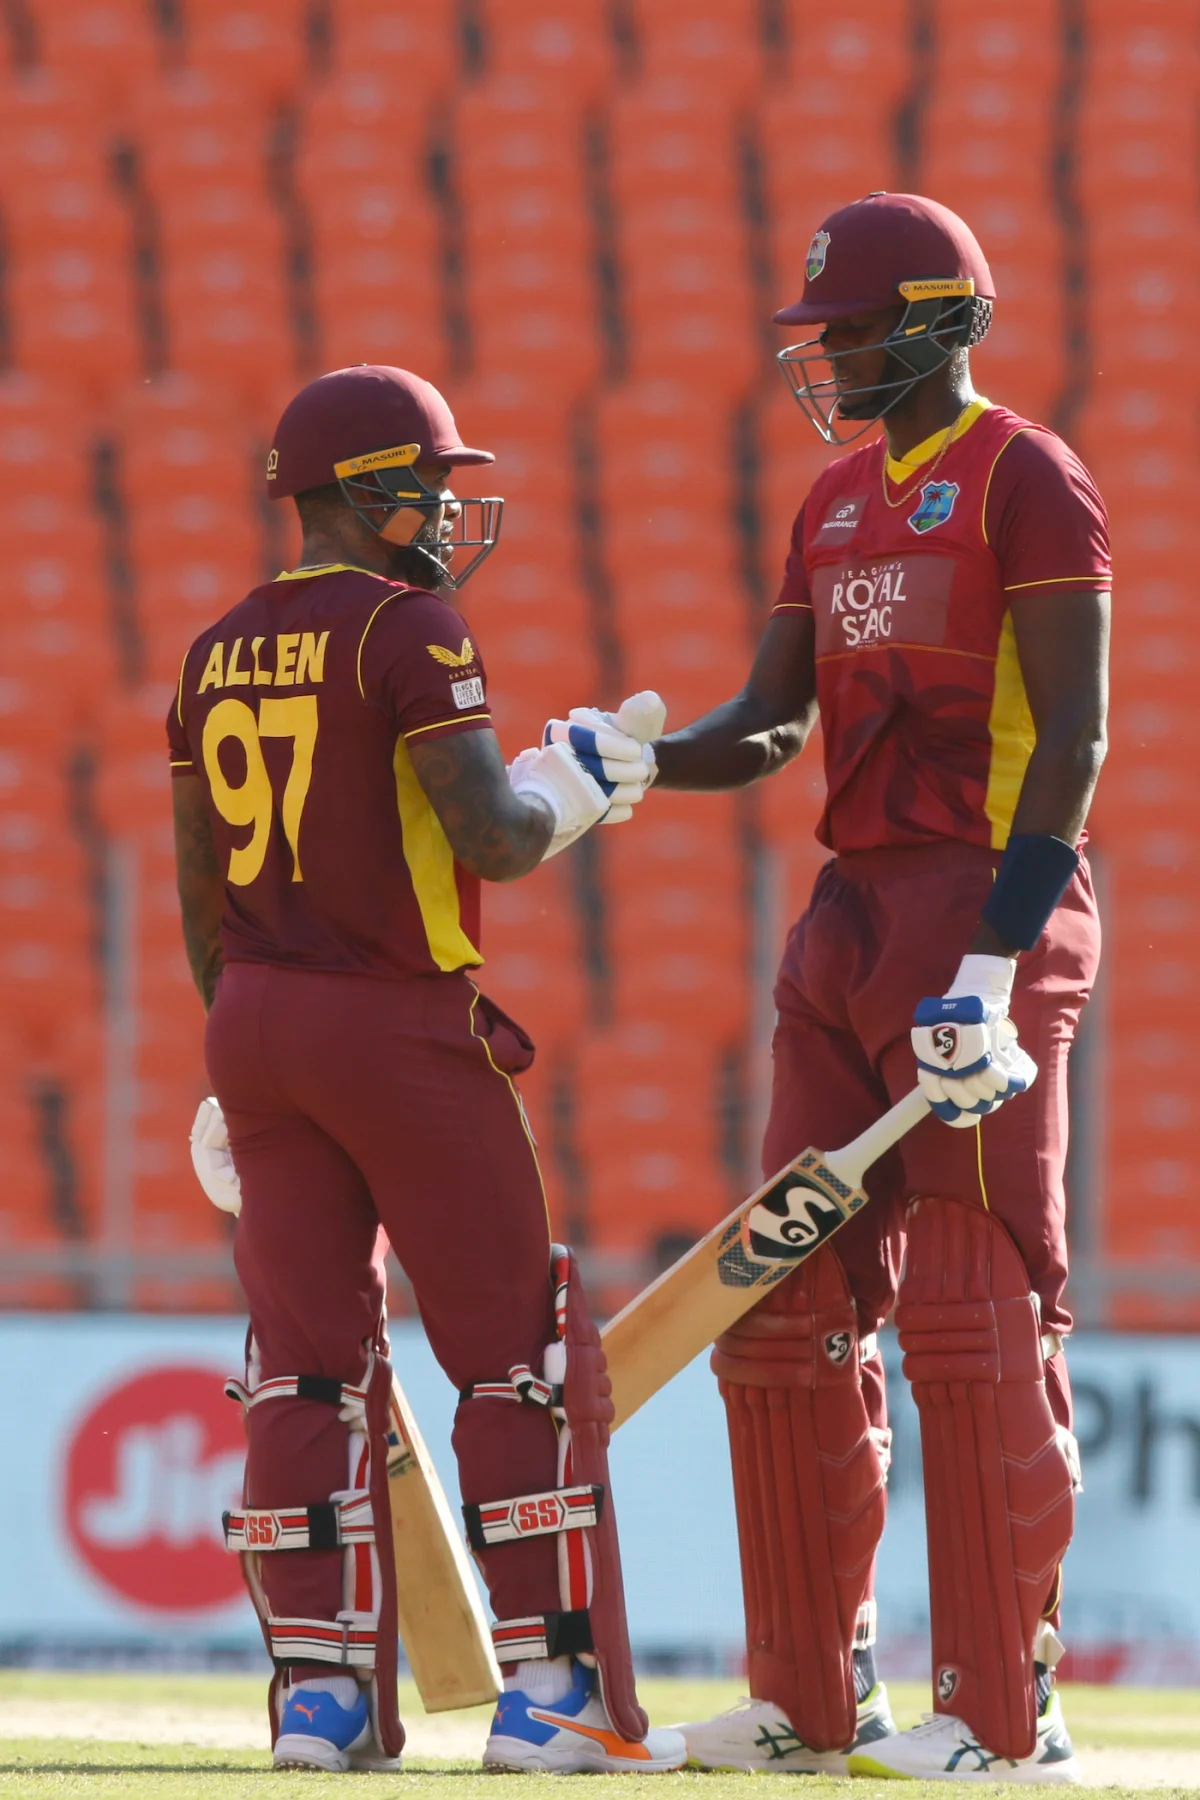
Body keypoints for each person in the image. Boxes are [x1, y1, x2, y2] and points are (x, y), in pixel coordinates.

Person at [643, 195, 1109, 1781]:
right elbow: (772, 726)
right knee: (777, 1302)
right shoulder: (836, 498)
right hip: (847, 917)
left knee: (974, 1314)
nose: (831, 354)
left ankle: (1001, 1712)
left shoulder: (1027, 477)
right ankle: (805, 1705)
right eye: (821, 332)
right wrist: (626, 760)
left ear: (943, 323)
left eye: (853, 328)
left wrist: (997, 956)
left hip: (983, 911)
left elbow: (1075, 740)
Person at [169, 363, 685, 1775]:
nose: (449, 511)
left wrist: (242, 1053)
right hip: (392, 1020)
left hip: (257, 1018)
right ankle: (549, 1694)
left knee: (304, 1370)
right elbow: (498, 843)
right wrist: (570, 793)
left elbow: (200, 896)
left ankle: (319, 1705)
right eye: (431, 483)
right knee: (514, 1353)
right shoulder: (410, 625)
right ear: (366, 488)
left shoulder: (215, 644)